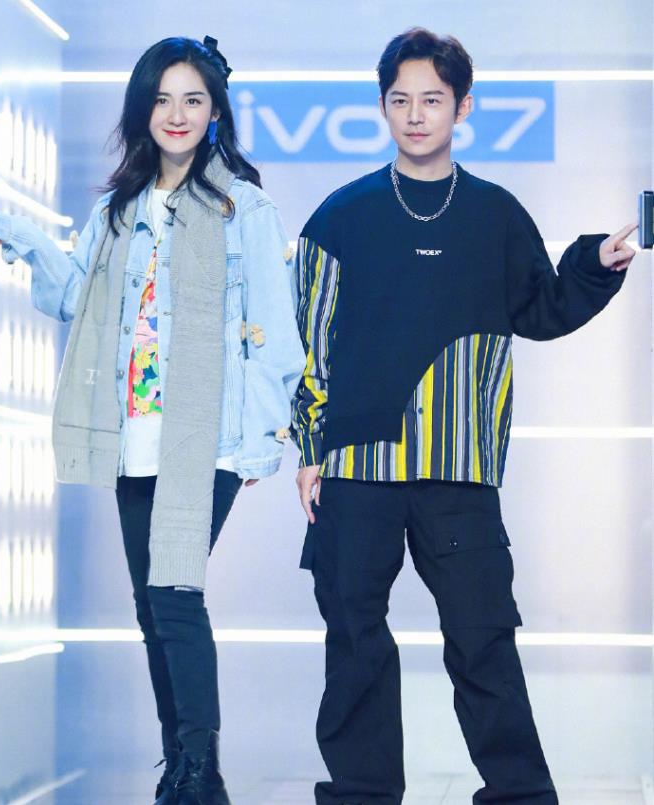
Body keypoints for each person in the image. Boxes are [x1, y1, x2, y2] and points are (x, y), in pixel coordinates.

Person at [292, 26, 636, 805]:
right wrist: (310, 449)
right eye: (401, 100)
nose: (416, 116)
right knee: (354, 645)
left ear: (463, 106)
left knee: (484, 640)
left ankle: (520, 796)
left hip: (459, 467)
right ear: (383, 106)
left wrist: (593, 262)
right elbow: (308, 343)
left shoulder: (496, 215)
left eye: (433, 100)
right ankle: (361, 795)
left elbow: (542, 308)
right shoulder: (338, 217)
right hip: (355, 470)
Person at [0, 35, 304, 805]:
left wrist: (258, 442)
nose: (176, 114)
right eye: (162, 99)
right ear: (141, 109)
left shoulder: (245, 209)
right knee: (154, 607)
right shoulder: (117, 210)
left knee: (175, 594)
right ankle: (181, 765)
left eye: (193, 99)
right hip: (135, 434)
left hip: (205, 436)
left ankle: (200, 772)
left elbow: (275, 335)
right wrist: (18, 235)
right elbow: (73, 295)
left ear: (215, 111)